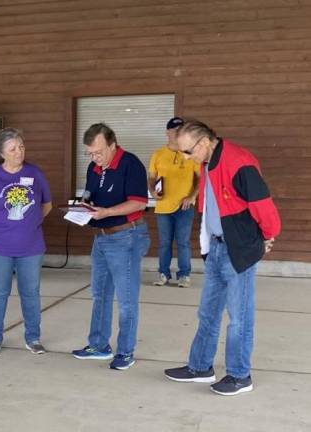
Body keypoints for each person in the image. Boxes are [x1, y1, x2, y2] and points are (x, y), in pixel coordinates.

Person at [164, 120, 281, 396]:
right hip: (216, 248)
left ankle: (240, 376)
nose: (186, 158)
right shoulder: (206, 163)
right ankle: (200, 366)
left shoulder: (238, 162)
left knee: (239, 317)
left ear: (204, 143)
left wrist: (266, 236)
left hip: (238, 249)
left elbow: (263, 206)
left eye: (187, 152)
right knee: (208, 312)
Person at [71, 123, 150, 370]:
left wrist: (107, 212)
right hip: (101, 238)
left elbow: (138, 203)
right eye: (90, 153)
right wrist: (80, 206)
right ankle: (99, 345)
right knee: (100, 293)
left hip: (126, 237)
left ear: (113, 145)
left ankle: (125, 351)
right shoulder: (94, 167)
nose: (95, 158)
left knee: (126, 299)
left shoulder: (131, 164)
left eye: (99, 152)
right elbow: (89, 195)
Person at [0, 128, 52, 355]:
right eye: (13, 149)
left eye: (21, 147)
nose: (19, 152)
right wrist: (1, 225)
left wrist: (31, 222)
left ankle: (33, 337)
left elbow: (46, 205)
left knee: (31, 292)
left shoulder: (35, 173)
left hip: (31, 246)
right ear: (1, 152)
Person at [148, 117, 199, 288]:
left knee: (183, 242)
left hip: (184, 206)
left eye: (181, 131)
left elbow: (200, 178)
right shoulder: (158, 154)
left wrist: (192, 196)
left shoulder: (190, 154)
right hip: (163, 207)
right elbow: (152, 177)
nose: (177, 134)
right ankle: (164, 273)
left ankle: (184, 275)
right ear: (167, 133)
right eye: (174, 131)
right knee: (164, 242)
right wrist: (152, 191)